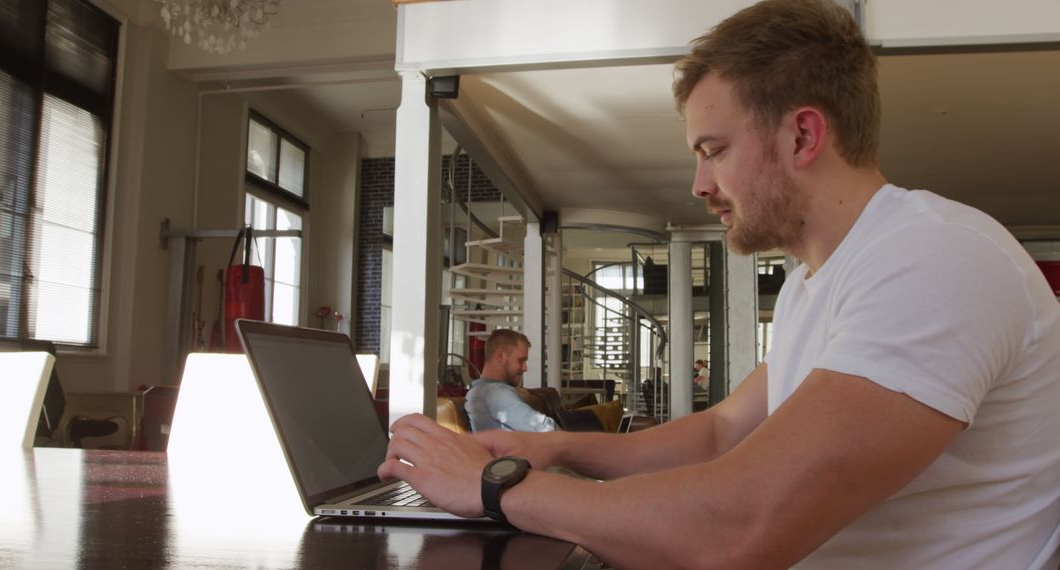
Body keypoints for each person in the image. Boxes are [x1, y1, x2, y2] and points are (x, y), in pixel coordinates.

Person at [378, 1, 1060, 567]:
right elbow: (721, 434)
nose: (700, 185)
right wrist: (555, 447)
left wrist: (497, 487)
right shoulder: (806, 288)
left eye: (714, 151)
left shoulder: (934, 257)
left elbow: (741, 524)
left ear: (802, 136)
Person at [464, 329, 558, 432]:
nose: (525, 368)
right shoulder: (496, 392)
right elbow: (545, 429)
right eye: (520, 360)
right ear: (501, 356)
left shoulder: (482, 392)